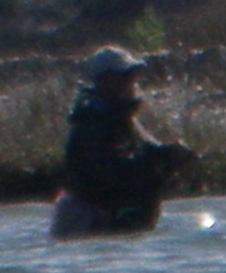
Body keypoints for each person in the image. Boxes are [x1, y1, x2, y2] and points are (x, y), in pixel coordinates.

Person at [50, 46, 193, 237]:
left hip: (113, 216)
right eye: (126, 76)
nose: (132, 82)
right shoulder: (92, 123)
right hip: (93, 220)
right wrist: (154, 165)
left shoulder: (121, 116)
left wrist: (170, 153)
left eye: (133, 76)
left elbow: (147, 148)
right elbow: (108, 175)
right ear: (104, 80)